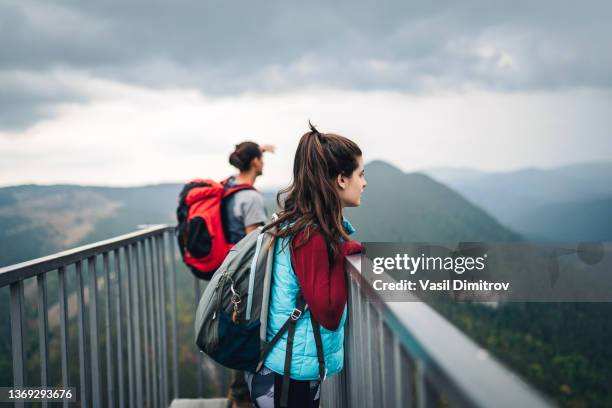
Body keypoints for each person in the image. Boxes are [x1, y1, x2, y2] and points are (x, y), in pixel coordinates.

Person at [245, 124, 367, 408]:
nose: (364, 183)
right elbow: (328, 313)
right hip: (287, 377)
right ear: (340, 179)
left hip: (285, 366)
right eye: (360, 174)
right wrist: (340, 254)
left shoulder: (302, 223)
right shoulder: (310, 234)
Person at [224, 141, 275, 407]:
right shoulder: (252, 198)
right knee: (247, 335)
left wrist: (261, 147)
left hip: (228, 274)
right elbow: (254, 244)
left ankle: (237, 393)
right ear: (254, 162)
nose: (264, 162)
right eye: (261, 158)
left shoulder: (230, 188)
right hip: (246, 280)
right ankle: (242, 397)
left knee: (237, 333)